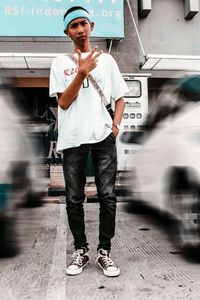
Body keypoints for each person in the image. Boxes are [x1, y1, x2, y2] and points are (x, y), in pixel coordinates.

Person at [49, 5, 128, 277]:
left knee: (107, 196)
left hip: (103, 138)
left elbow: (120, 97)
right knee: (73, 198)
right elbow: (64, 102)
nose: (80, 29)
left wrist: (115, 127)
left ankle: (104, 251)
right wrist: (81, 71)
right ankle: (81, 250)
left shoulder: (107, 61)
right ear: (67, 32)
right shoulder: (60, 63)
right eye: (74, 25)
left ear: (91, 25)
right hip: (73, 140)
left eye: (83, 23)